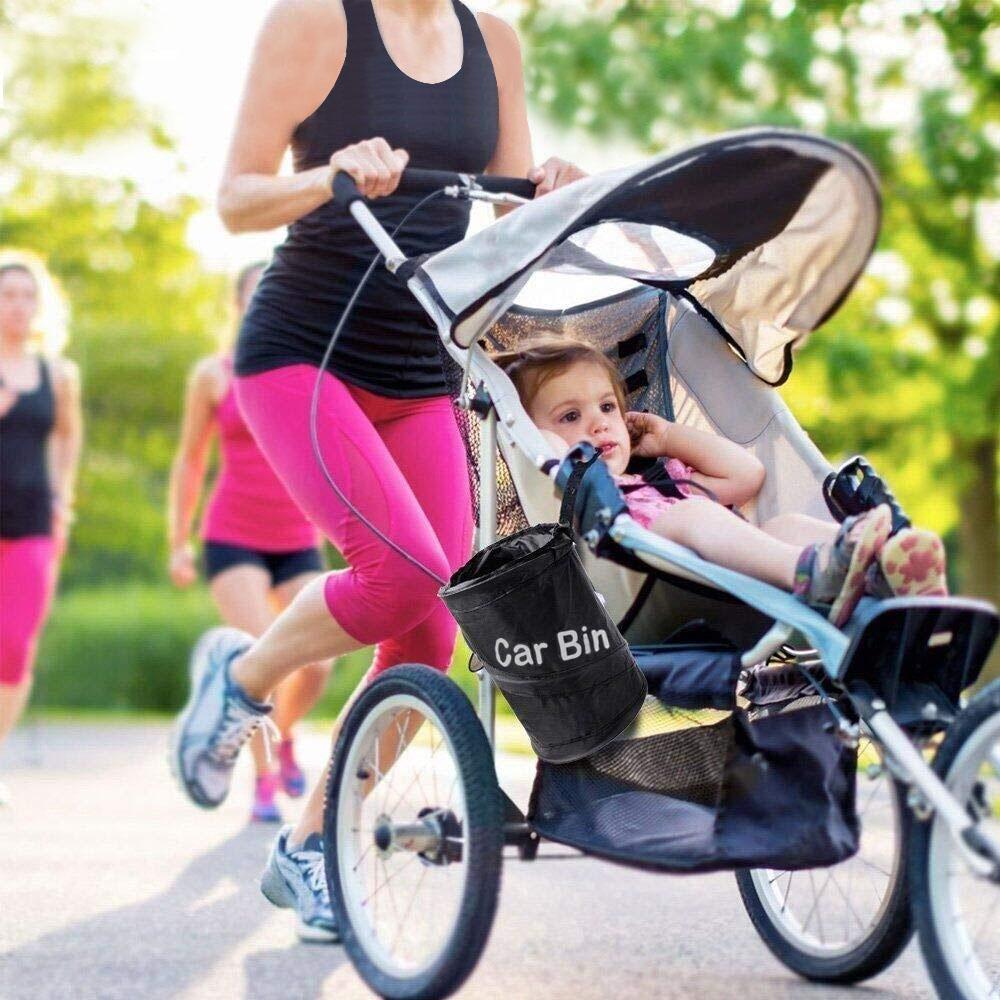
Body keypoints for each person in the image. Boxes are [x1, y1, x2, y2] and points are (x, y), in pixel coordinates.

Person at [169, 0, 585, 942]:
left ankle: (311, 847)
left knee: (431, 629)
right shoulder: (316, 22)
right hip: (302, 353)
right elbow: (235, 198)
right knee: (398, 575)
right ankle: (244, 681)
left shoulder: (495, 43)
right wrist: (330, 175)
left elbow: (507, 208)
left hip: (420, 366)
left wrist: (551, 188)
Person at [494, 336, 948, 618]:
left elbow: (747, 475)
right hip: (653, 594)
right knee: (693, 513)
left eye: (608, 407)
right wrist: (539, 438)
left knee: (781, 526)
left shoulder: (661, 481)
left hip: (737, 575)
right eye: (571, 415)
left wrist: (669, 437)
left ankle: (885, 573)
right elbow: (546, 455)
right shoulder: (575, 497)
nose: (598, 423)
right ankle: (813, 573)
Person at [167, 262, 331, 825]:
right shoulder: (213, 375)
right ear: (240, 304)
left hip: (296, 535)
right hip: (231, 534)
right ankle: (262, 779)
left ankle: (282, 736)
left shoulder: (311, 368)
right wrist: (176, 541)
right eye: (254, 291)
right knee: (263, 648)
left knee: (318, 661)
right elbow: (190, 461)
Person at [0, 259, 82, 803]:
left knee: (13, 646)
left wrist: (62, 497)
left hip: (32, 521)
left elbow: (67, 437)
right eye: (8, 295)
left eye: (28, 295)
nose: (18, 305)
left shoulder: (59, 374)